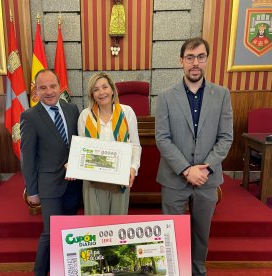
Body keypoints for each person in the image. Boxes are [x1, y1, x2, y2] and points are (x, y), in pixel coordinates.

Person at [155, 37, 233, 276]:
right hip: (174, 178)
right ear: (181, 61)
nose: (195, 62)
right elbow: (162, 138)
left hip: (207, 180)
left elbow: (226, 137)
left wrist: (204, 169)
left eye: (200, 57)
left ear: (207, 60)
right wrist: (187, 170)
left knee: (201, 233)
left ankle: (198, 271)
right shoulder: (166, 96)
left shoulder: (221, 94)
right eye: (190, 58)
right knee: (172, 234)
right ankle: (175, 271)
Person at [20, 69, 82, 276]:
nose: (49, 91)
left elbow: (79, 145)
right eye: (43, 87)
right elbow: (27, 156)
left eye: (52, 86)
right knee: (51, 233)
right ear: (35, 91)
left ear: (60, 86)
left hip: (73, 184)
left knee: (68, 233)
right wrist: (32, 190)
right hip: (49, 186)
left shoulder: (72, 109)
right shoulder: (29, 116)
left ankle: (63, 270)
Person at [77, 72, 141, 215]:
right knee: (94, 224)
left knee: (116, 225)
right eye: (96, 89)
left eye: (104, 87)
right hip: (93, 180)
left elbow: (135, 145)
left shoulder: (127, 112)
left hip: (120, 177)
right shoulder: (85, 116)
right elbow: (82, 150)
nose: (101, 92)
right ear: (92, 94)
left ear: (112, 89)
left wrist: (133, 167)